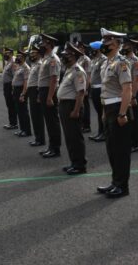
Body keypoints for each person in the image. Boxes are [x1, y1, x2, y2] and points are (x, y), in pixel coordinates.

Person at [96, 28, 133, 198]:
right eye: (104, 42)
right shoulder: (106, 63)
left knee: (121, 150)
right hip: (108, 109)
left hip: (119, 108)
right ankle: (114, 182)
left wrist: (122, 113)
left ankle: (122, 186)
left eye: (108, 42)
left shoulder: (121, 63)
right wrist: (104, 112)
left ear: (117, 44)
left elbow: (127, 90)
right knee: (111, 149)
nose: (104, 45)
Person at [58, 42, 87, 175]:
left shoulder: (78, 71)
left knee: (75, 137)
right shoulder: (69, 70)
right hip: (64, 105)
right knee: (69, 137)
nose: (63, 57)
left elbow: (81, 93)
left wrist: (76, 110)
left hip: (72, 106)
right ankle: (73, 162)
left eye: (66, 55)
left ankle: (80, 165)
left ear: (73, 56)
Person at [38, 34, 62, 158]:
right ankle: (50, 146)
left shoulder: (53, 59)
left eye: (43, 43)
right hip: (44, 90)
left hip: (49, 91)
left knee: (52, 121)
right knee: (48, 121)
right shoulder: (46, 58)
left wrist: (49, 97)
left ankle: (55, 148)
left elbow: (54, 79)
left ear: (49, 44)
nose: (41, 45)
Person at [122, 37, 138, 153]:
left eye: (127, 45)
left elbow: (136, 80)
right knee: (128, 118)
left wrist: (133, 96)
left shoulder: (136, 61)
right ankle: (128, 141)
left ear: (132, 47)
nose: (124, 47)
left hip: (133, 92)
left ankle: (135, 144)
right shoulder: (123, 59)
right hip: (125, 91)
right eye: (124, 45)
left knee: (134, 118)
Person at [27, 46, 45, 147]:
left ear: (38, 54)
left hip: (36, 90)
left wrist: (38, 95)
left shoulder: (40, 64)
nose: (32, 55)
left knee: (38, 116)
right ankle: (37, 137)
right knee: (34, 116)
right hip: (31, 91)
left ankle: (40, 139)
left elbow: (40, 80)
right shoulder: (34, 64)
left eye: (34, 53)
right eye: (31, 53)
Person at [88, 41, 106, 142]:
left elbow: (103, 76)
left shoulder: (103, 59)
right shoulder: (94, 60)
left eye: (93, 49)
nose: (92, 51)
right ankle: (100, 131)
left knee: (102, 111)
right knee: (99, 112)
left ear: (98, 49)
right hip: (94, 88)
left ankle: (103, 133)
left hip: (100, 88)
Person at [12, 50, 31, 137]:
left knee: (24, 111)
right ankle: (22, 129)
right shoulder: (19, 66)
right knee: (19, 111)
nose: (17, 57)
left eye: (19, 56)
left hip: (21, 90)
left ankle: (27, 131)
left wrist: (23, 94)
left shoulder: (26, 68)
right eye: (17, 56)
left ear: (23, 57)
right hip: (16, 90)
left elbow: (26, 82)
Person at [76, 42, 91, 133]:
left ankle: (87, 125)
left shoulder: (86, 59)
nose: (79, 49)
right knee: (80, 105)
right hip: (77, 85)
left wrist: (86, 88)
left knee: (85, 106)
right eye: (78, 47)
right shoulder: (77, 58)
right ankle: (81, 124)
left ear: (83, 49)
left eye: (80, 48)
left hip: (84, 85)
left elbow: (88, 75)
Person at [2, 48, 18, 130]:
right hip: (6, 86)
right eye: (5, 53)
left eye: (7, 53)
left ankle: (14, 123)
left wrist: (12, 88)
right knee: (9, 104)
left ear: (11, 53)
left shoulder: (13, 62)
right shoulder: (8, 62)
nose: (5, 54)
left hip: (10, 85)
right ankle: (11, 122)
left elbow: (15, 76)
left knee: (11, 104)